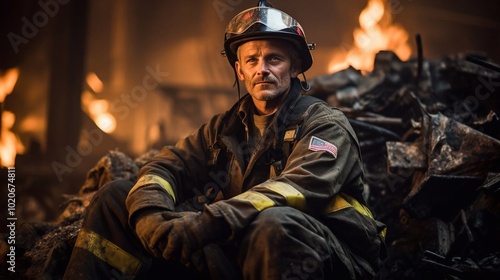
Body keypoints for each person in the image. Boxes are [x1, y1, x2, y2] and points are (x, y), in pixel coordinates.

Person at [63, 1, 386, 279]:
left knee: (275, 223)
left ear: (296, 65)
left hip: (331, 256)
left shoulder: (324, 125)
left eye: (274, 59)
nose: (262, 70)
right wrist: (149, 216)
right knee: (117, 196)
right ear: (239, 70)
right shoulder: (225, 128)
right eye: (251, 60)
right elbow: (165, 165)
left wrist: (204, 224)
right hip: (243, 252)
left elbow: (300, 187)